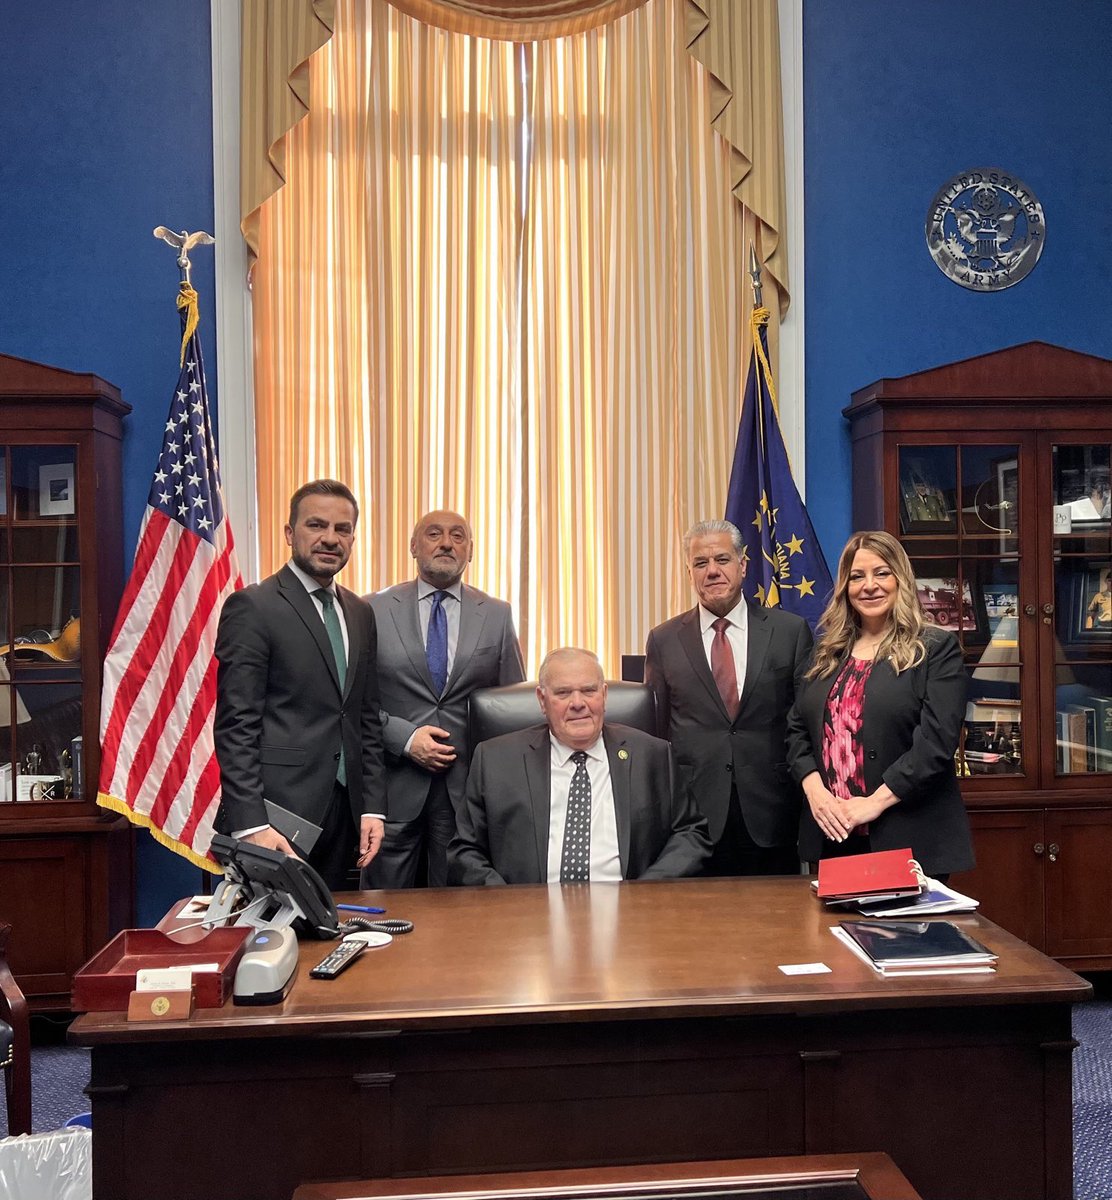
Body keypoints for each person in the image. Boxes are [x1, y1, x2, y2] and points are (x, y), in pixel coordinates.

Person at [214, 479, 387, 888]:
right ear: (290, 533)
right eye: (316, 525)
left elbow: (365, 717)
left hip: (349, 817)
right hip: (277, 820)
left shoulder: (360, 612)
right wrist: (250, 824)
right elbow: (236, 726)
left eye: (342, 530)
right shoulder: (254, 607)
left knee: (340, 933)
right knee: (278, 942)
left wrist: (372, 808)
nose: (330, 538)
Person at [787, 529, 974, 878]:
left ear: (900, 579)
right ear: (845, 587)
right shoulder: (826, 653)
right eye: (857, 576)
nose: (869, 585)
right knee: (832, 934)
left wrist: (872, 805)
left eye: (881, 573)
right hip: (833, 836)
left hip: (907, 838)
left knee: (902, 935)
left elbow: (936, 743)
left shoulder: (934, 649)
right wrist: (816, 792)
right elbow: (797, 729)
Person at [447, 647, 711, 885]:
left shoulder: (652, 755)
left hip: (630, 917)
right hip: (529, 921)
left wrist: (644, 893)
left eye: (588, 690)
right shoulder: (496, 760)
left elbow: (691, 833)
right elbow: (464, 852)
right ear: (542, 700)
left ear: (604, 695)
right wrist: (512, 903)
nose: (577, 703)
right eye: (563, 693)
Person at [364, 509, 525, 888]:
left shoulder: (497, 615)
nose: (447, 543)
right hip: (391, 783)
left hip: (466, 790)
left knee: (458, 910)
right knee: (384, 906)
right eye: (434, 534)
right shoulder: (372, 610)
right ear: (413, 546)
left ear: (471, 551)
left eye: (458, 536)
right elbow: (356, 699)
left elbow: (511, 707)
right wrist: (404, 739)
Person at [644, 520, 812, 875]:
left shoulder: (789, 632)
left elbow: (804, 722)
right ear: (689, 572)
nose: (713, 571)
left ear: (743, 565)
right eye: (700, 563)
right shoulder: (664, 640)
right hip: (694, 816)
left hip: (773, 811)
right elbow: (657, 734)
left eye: (722, 559)